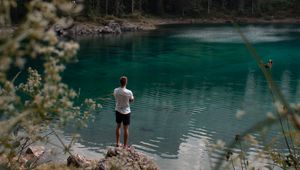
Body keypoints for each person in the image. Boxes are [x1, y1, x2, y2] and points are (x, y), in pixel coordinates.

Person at [113, 76, 134, 148]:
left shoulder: (115, 90)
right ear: (126, 82)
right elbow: (131, 100)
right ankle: (125, 145)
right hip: (126, 112)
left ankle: (117, 143)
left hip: (118, 110)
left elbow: (115, 97)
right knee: (126, 128)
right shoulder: (129, 92)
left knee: (118, 126)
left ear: (120, 82)